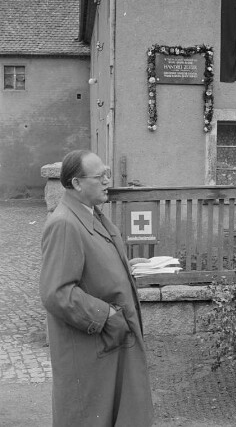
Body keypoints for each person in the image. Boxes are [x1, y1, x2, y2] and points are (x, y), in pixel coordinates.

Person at [39, 150, 154, 427]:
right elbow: (57, 292)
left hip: (106, 346)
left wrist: (127, 266)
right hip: (91, 349)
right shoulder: (65, 223)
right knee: (90, 416)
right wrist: (108, 317)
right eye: (100, 176)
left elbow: (94, 261)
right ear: (77, 183)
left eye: (108, 174)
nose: (107, 181)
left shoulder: (91, 213)